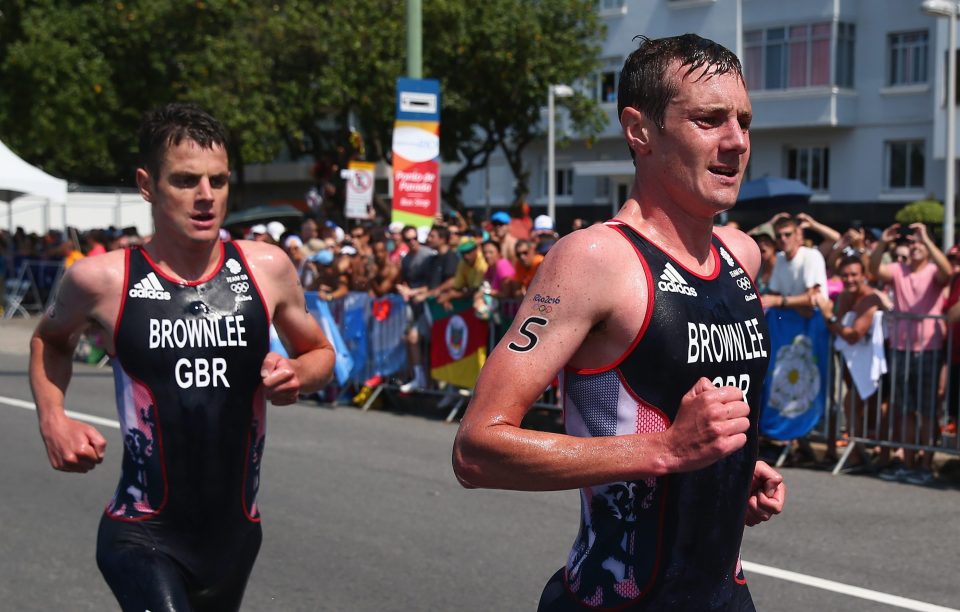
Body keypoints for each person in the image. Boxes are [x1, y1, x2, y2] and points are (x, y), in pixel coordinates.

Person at [452, 34, 785, 611]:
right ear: (640, 131)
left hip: (725, 597)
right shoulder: (593, 260)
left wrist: (726, 469)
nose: (736, 141)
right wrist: (671, 450)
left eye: (744, 121)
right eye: (709, 119)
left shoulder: (742, 255)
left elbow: (674, 406)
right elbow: (478, 448)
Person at [28, 103, 335, 612]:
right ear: (147, 185)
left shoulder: (266, 268)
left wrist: (297, 373)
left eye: (218, 181)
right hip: (142, 531)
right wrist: (52, 419)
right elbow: (49, 340)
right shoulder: (102, 280)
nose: (206, 197)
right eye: (186, 180)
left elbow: (321, 354)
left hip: (234, 535)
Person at [869, 222, 950, 485]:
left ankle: (925, 466)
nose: (915, 246)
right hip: (902, 349)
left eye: (919, 243)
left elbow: (948, 273)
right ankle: (908, 462)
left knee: (927, 411)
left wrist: (926, 238)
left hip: (928, 348)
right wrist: (884, 242)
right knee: (904, 410)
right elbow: (873, 270)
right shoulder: (897, 269)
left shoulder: (934, 270)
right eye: (912, 242)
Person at [759, 215, 828, 316]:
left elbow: (812, 298)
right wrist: (795, 304)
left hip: (814, 321)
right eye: (779, 236)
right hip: (792, 319)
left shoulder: (811, 255)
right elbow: (774, 294)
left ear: (797, 235)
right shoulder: (780, 258)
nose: (783, 239)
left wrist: (780, 301)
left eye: (787, 234)